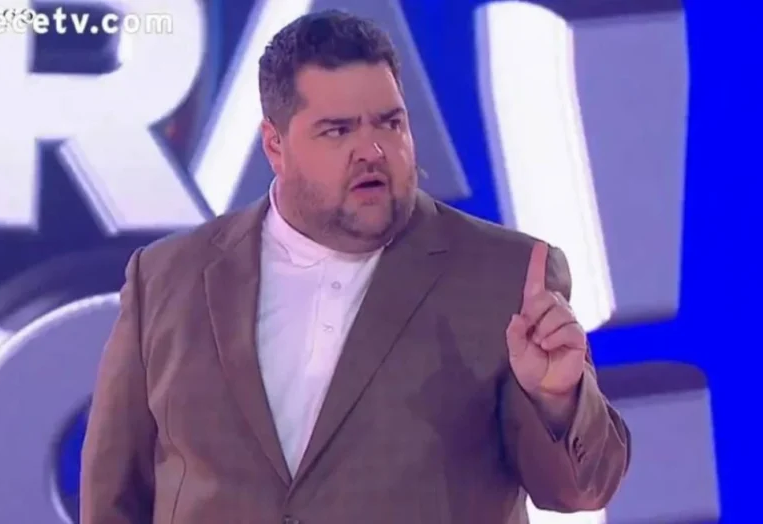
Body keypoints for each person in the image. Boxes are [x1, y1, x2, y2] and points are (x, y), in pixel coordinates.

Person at [80, 9, 630, 524]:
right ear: (275, 145)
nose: (372, 151)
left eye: (389, 123)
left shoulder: (505, 276)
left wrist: (557, 399)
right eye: (338, 130)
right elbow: (112, 497)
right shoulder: (167, 279)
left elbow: (581, 491)